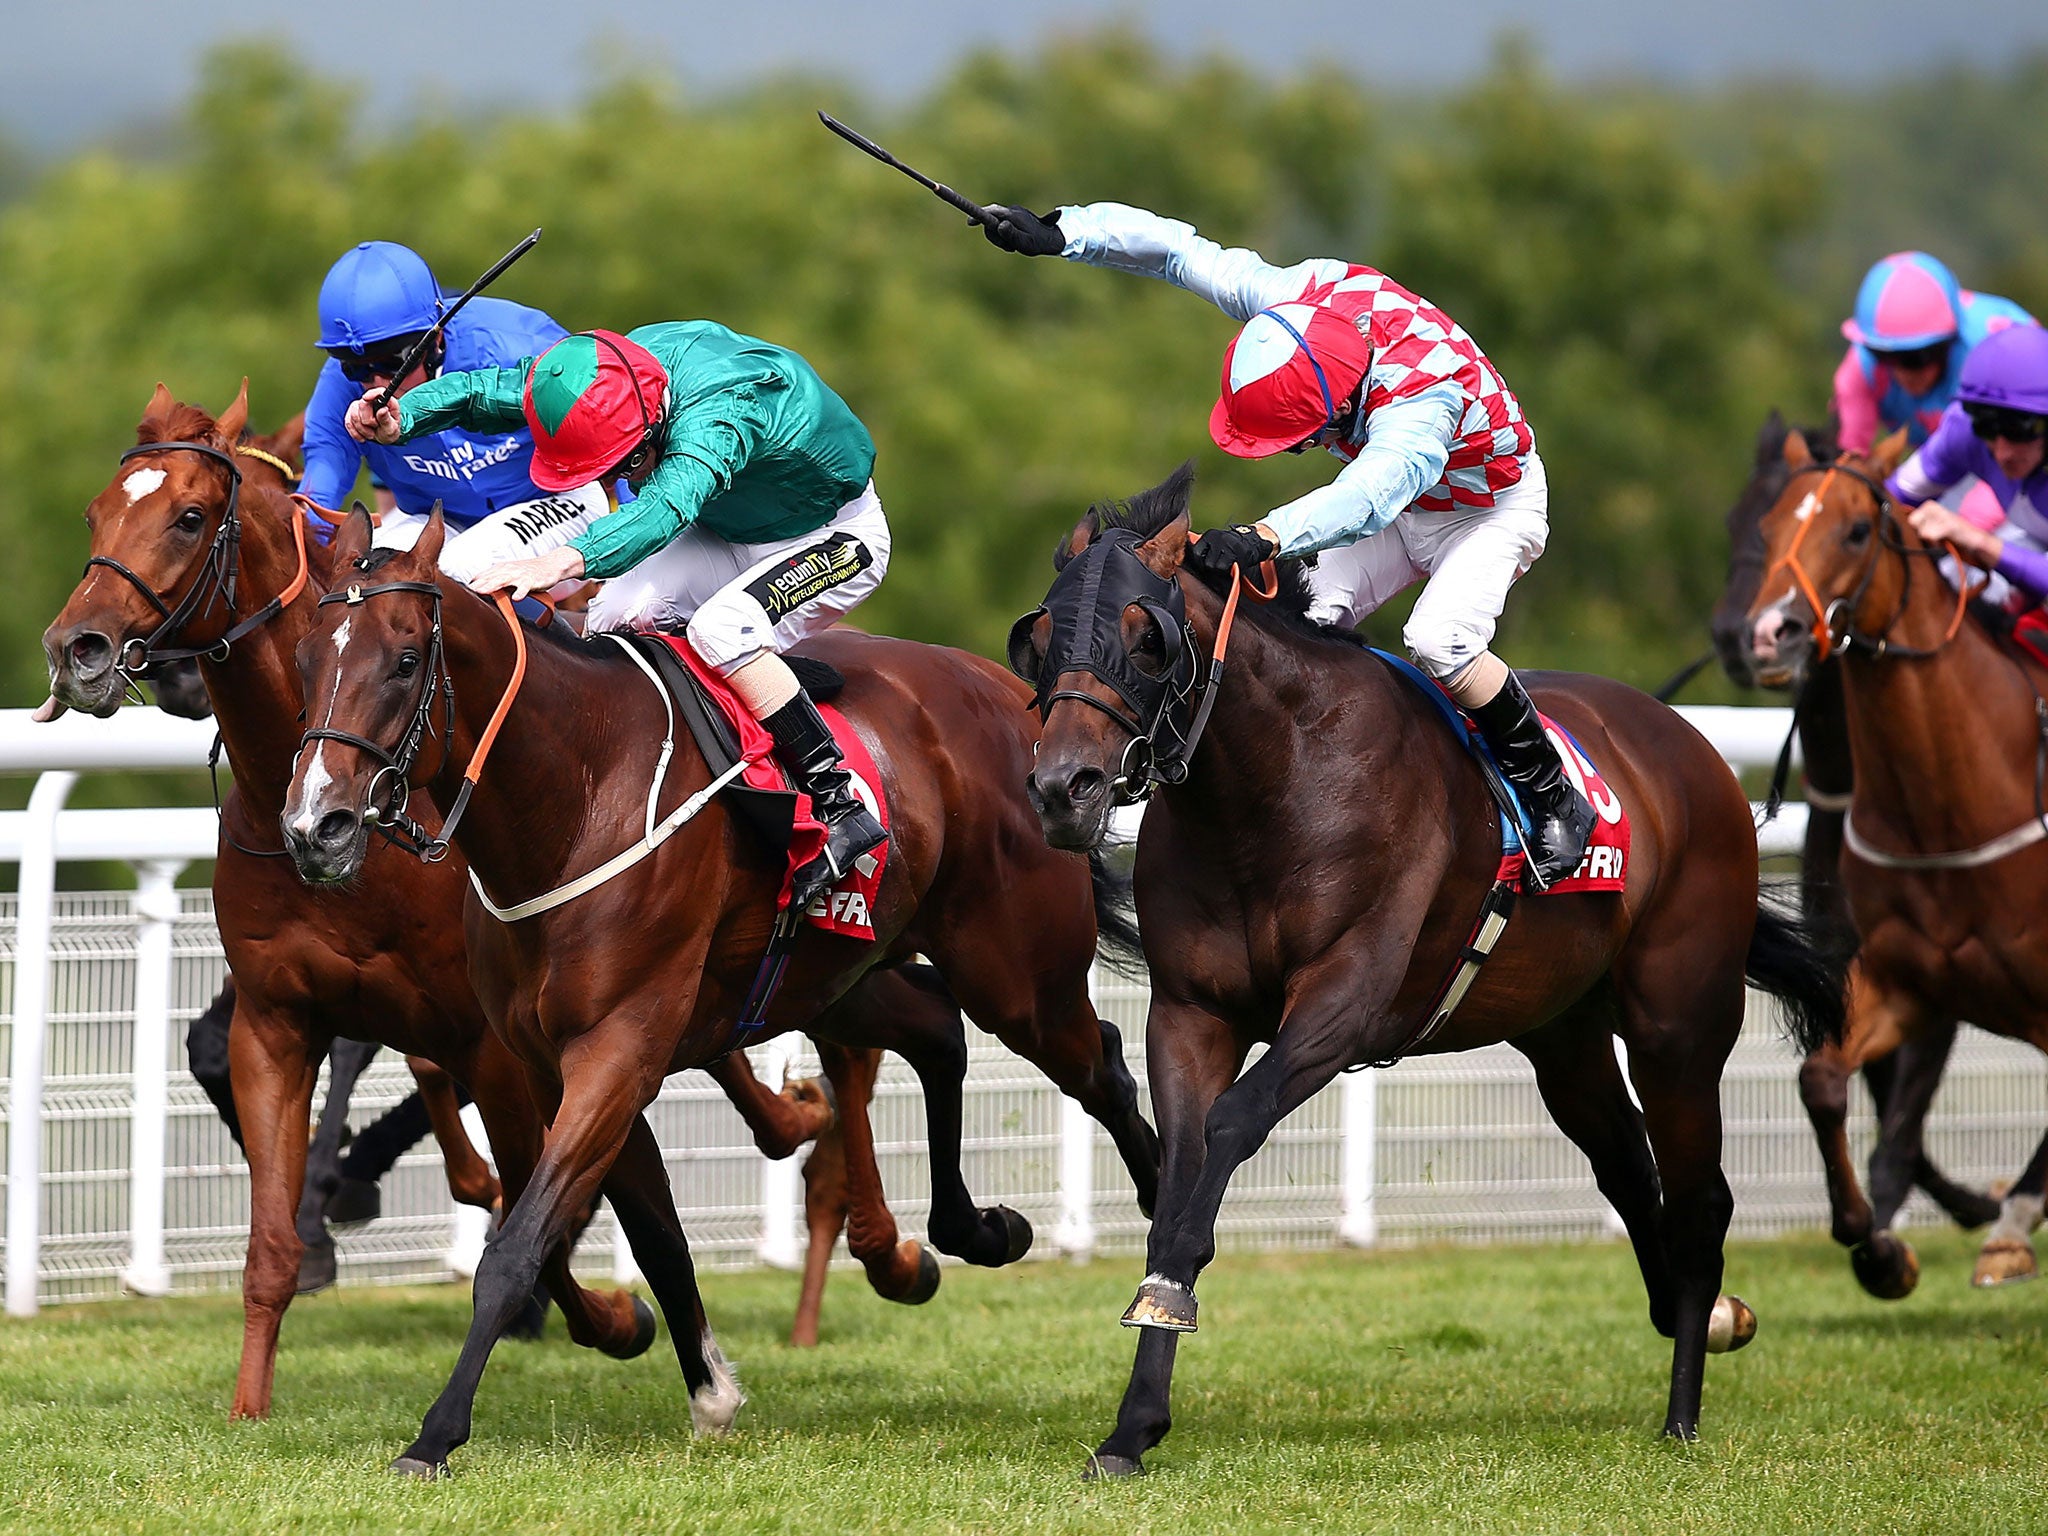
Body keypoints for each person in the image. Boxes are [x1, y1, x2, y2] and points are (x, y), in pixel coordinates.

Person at [980, 201, 1593, 888]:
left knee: (1440, 640)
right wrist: (1063, 233)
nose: (1299, 449)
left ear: (1335, 402)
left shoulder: (1423, 405)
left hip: (1488, 510)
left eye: (1300, 437)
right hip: (1397, 498)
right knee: (1306, 635)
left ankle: (1551, 793)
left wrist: (1263, 535)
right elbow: (1181, 252)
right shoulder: (1298, 298)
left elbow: (1367, 499)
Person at [346, 323, 889, 905]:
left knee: (721, 630)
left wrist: (557, 562)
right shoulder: (602, 372)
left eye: (625, 462)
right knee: (614, 616)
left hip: (835, 535)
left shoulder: (721, 414)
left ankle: (838, 802)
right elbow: (492, 389)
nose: (620, 478)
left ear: (651, 420)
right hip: (727, 525)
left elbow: (662, 511)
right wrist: (407, 415)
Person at [304, 241, 609, 579]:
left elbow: (621, 427)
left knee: (452, 572)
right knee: (368, 580)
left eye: (394, 362)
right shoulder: (338, 385)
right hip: (442, 520)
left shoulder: (521, 341)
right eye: (355, 367)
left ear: (435, 339)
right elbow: (322, 476)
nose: (376, 381)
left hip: (558, 499)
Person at [1833, 251, 2033, 530]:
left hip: (2016, 466)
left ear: (1951, 342)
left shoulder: (1993, 352)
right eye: (1883, 356)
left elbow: (2014, 458)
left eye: (1918, 357)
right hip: (1941, 461)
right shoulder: (1859, 371)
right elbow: (1850, 464)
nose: (1903, 373)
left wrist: (1966, 528)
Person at [1893, 323, 2048, 605]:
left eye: (2018, 430)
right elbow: (1888, 496)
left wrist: (1977, 540)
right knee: (1953, 578)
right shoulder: (1963, 430)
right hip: (2029, 541)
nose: (2002, 453)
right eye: (1987, 428)